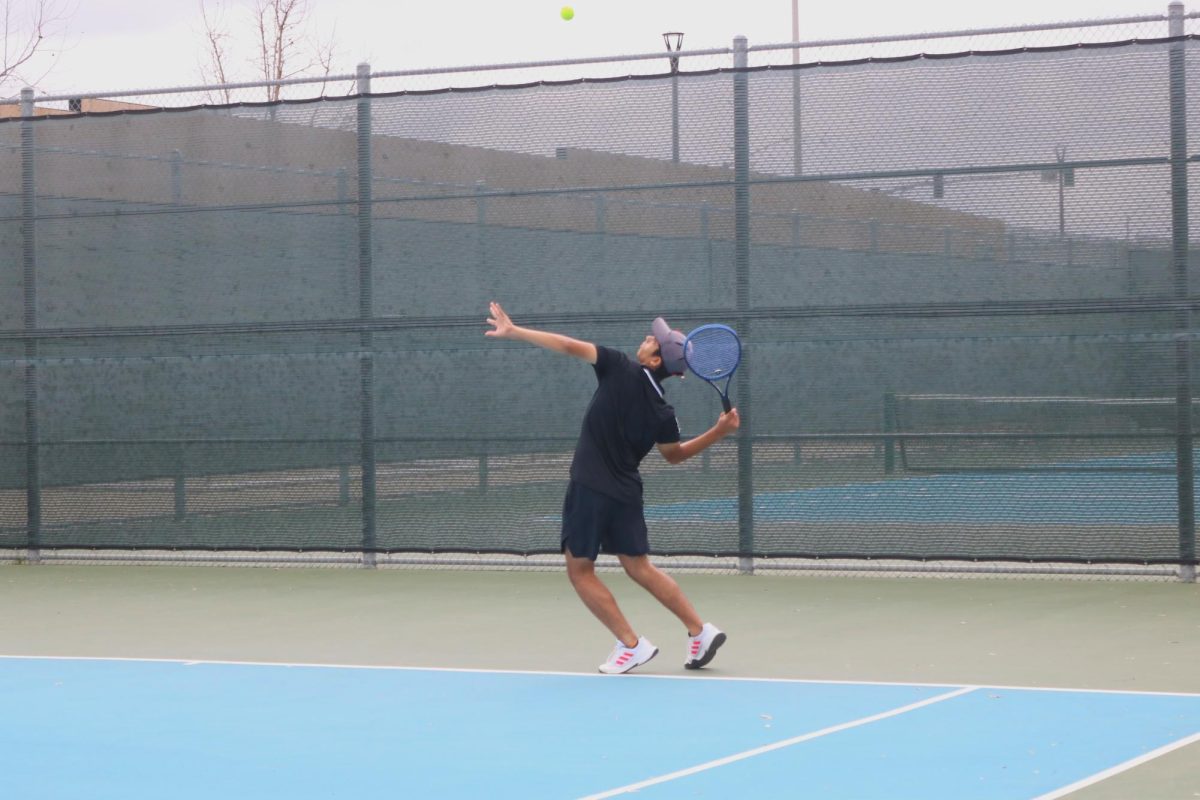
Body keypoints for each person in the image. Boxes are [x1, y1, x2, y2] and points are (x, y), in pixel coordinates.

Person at [485, 301, 741, 674]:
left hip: (590, 487)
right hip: (625, 493)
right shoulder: (663, 413)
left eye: (654, 341)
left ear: (654, 361)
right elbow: (674, 455)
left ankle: (630, 644)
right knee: (640, 567)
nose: (649, 338)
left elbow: (570, 346)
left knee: (579, 571)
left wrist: (515, 331)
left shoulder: (619, 366)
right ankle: (699, 632)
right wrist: (719, 432)